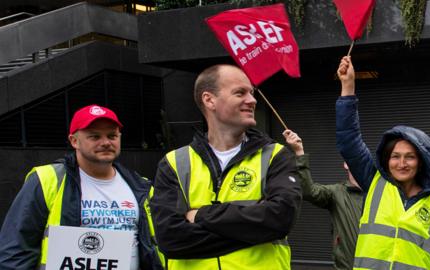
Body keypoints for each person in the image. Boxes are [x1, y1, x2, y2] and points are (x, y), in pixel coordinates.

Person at [151, 64, 302, 270]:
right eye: (240, 93)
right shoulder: (175, 163)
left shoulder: (275, 155)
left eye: (251, 93)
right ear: (209, 100)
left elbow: (280, 219)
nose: (252, 100)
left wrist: (202, 215)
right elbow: (170, 239)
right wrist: (254, 232)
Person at [0, 104, 163, 270]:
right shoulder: (46, 180)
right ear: (74, 141)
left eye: (112, 135)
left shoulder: (141, 186)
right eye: (95, 136)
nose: (106, 142)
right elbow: (16, 249)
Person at [336, 56, 430, 270]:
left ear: (421, 161)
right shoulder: (375, 182)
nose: (402, 163)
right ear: (387, 159)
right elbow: (349, 141)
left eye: (410, 156)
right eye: (395, 156)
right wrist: (348, 87)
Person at [283, 129, 363, 270]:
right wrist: (299, 152)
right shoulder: (336, 192)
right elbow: (309, 191)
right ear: (345, 164)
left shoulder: (379, 193)